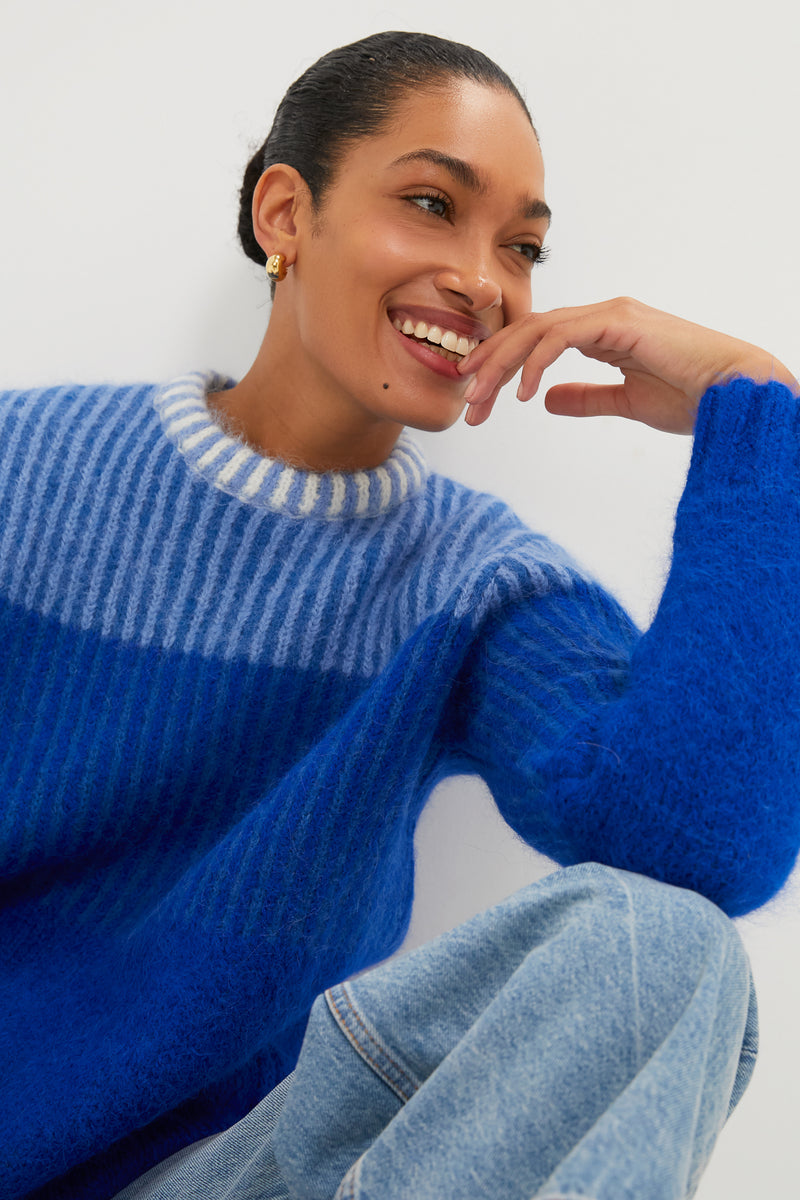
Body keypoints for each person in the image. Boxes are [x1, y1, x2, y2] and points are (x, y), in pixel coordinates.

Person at [1, 29, 797, 1200]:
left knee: (663, 947)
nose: (483, 279)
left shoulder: (473, 587)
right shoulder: (24, 470)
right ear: (286, 213)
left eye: (520, 247)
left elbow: (702, 845)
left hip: (221, 1179)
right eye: (431, 205)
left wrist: (757, 412)